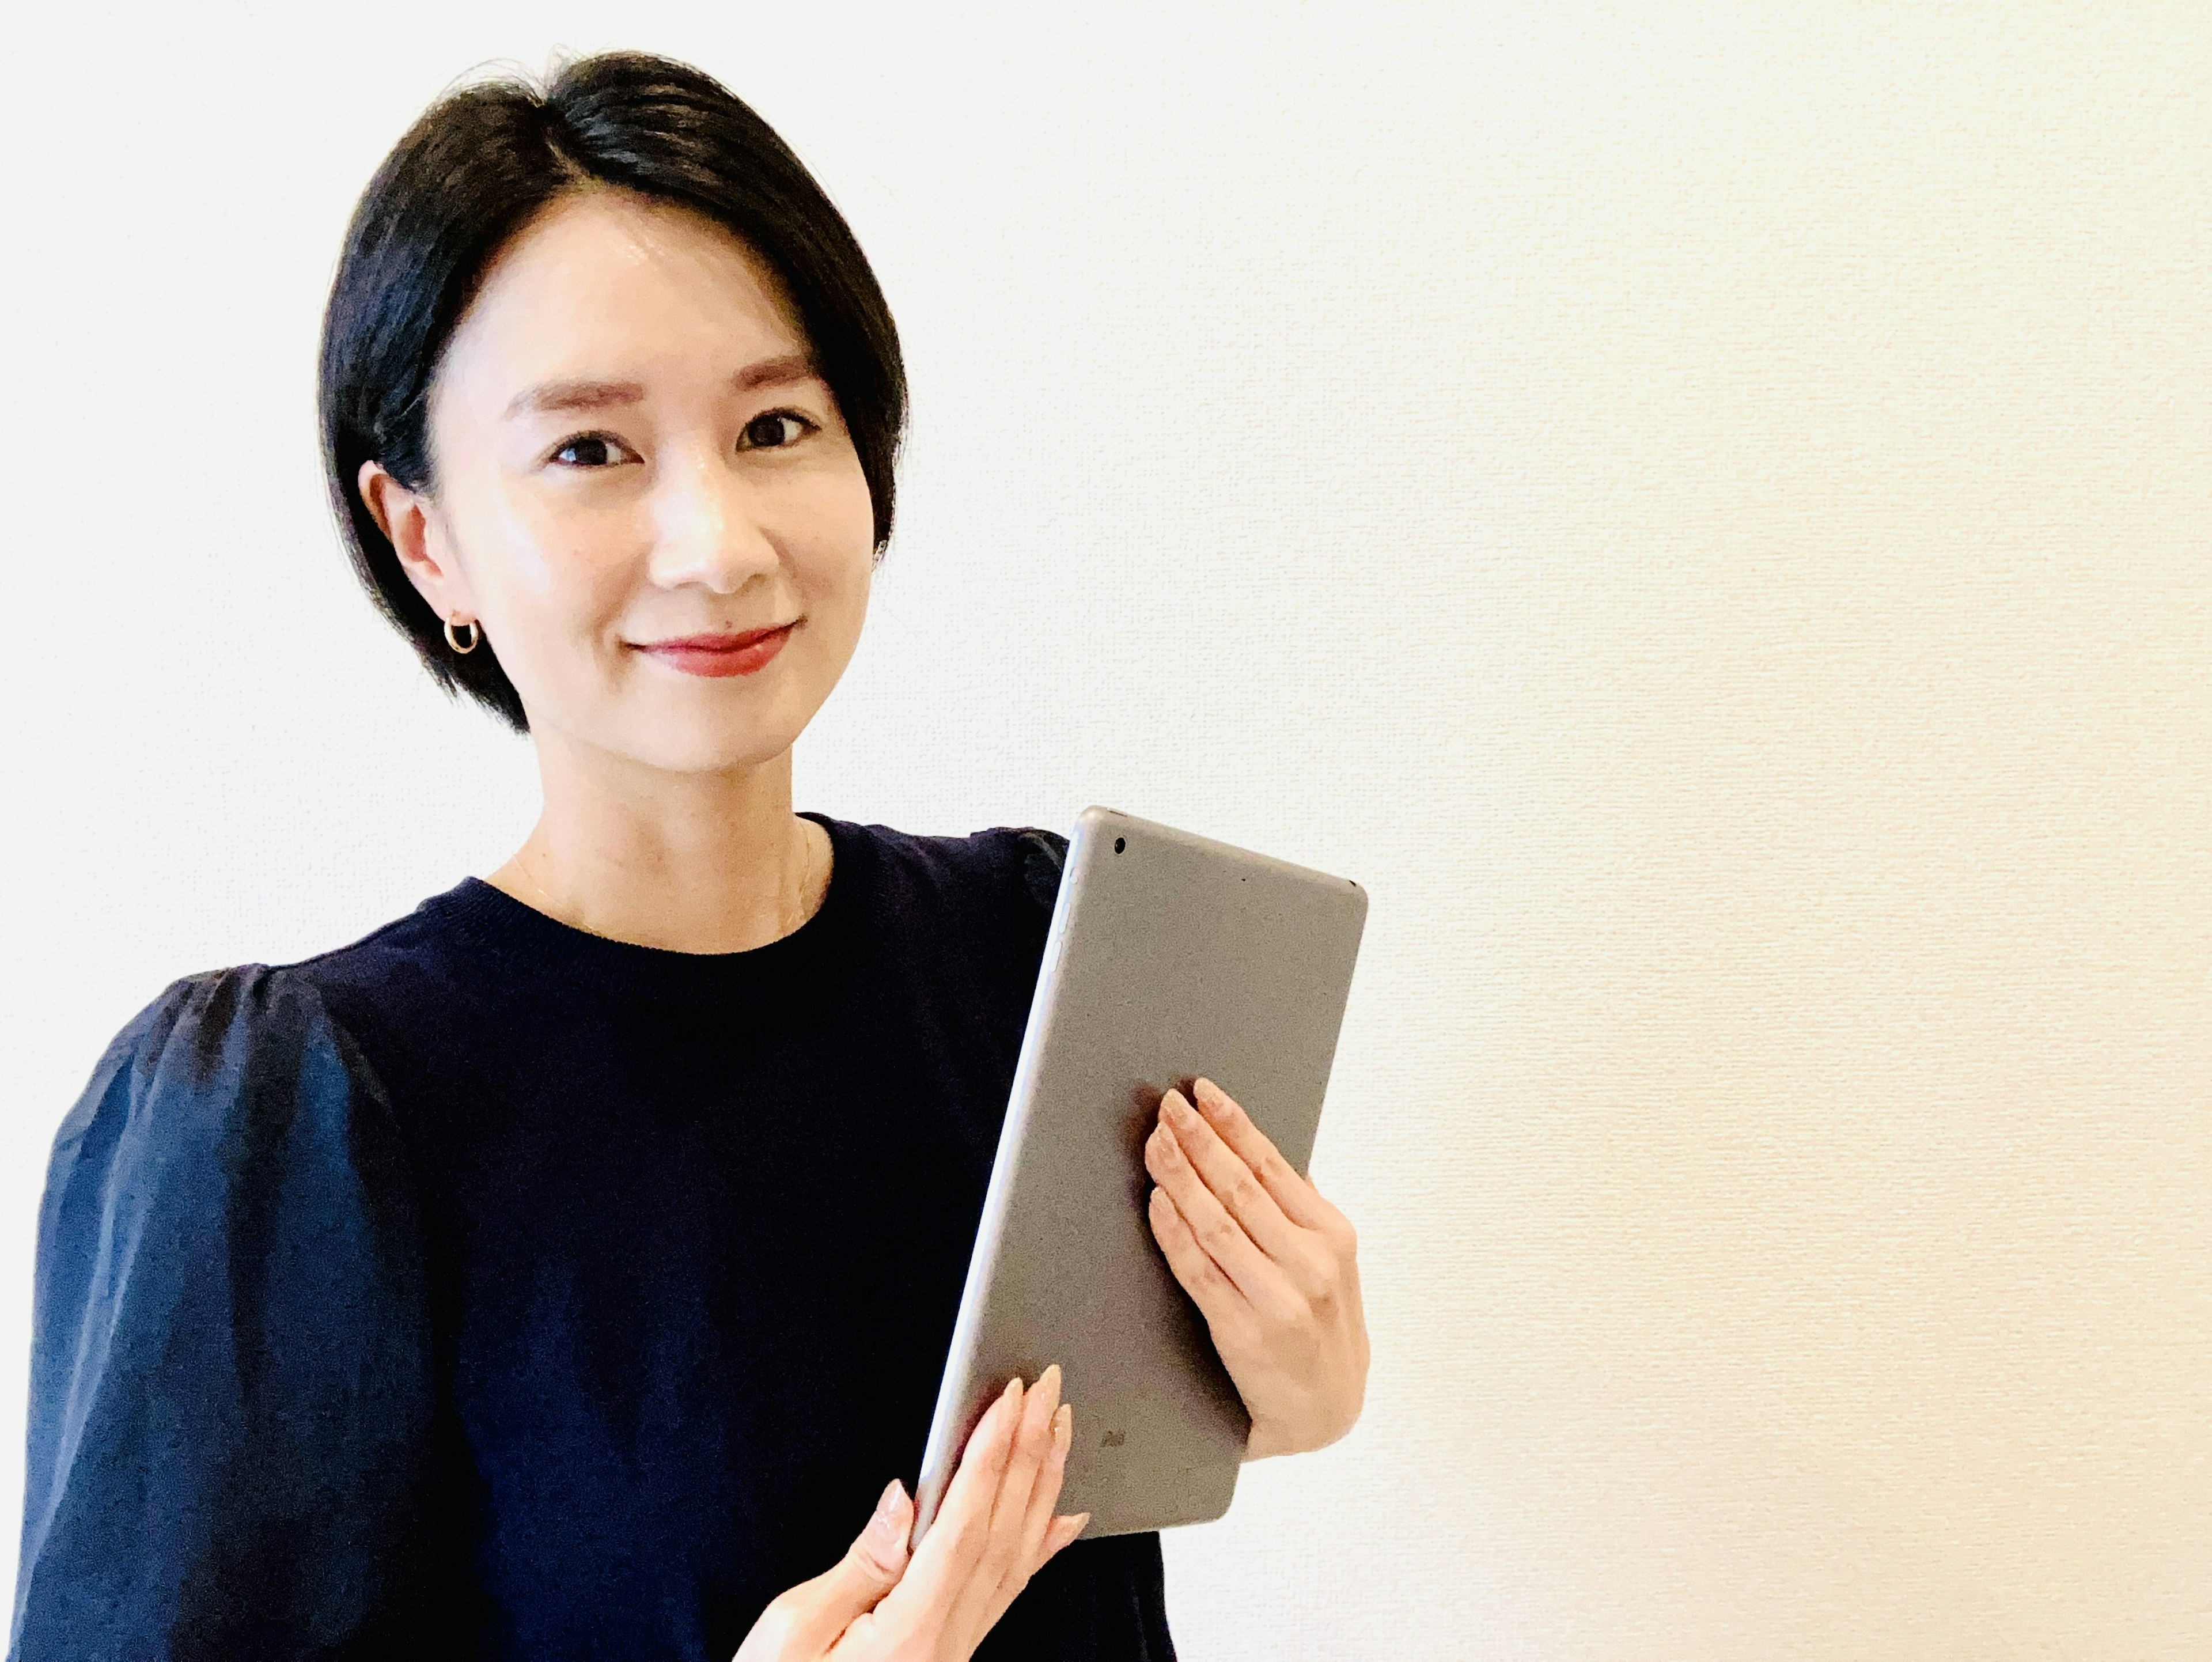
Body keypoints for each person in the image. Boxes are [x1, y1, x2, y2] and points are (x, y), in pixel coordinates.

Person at [6, 50, 1369, 1662]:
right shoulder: (285, 1120)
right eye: (590, 451)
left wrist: (1292, 1385)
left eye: (777, 424)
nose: (717, 543)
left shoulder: (1039, 956)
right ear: (424, 533)